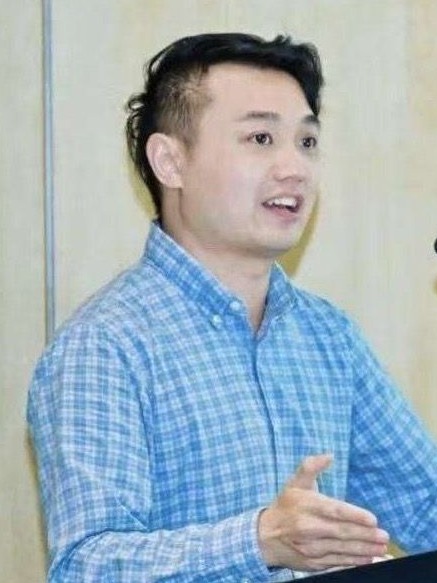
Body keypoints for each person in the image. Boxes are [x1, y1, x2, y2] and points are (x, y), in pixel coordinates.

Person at [27, 33, 437, 582]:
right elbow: (86, 566)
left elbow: (426, 505)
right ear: (170, 161)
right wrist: (259, 540)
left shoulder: (328, 337)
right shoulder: (102, 346)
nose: (295, 168)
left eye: (307, 142)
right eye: (261, 138)